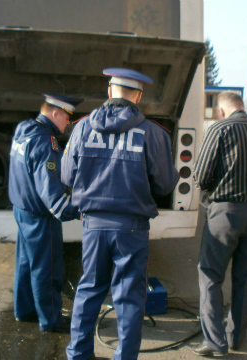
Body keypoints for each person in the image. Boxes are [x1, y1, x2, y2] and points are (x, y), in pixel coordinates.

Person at [62, 68, 179, 360]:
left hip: (93, 226)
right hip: (132, 228)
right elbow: (164, 184)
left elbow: (66, 176)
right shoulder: (152, 133)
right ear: (138, 96)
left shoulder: (81, 127)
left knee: (89, 290)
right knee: (128, 298)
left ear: (109, 91)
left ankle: (78, 354)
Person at [191, 91, 247, 357]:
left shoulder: (220, 129)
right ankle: (236, 338)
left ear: (221, 110)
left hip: (226, 213)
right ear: (241, 106)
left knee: (210, 275)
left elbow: (201, 175)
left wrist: (214, 190)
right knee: (246, 276)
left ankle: (214, 342)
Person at [8, 93, 83, 333]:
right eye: (67, 117)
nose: (68, 122)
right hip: (40, 217)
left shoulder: (24, 128)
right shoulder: (46, 143)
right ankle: (51, 320)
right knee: (47, 270)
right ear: (55, 113)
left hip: (21, 209)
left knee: (25, 263)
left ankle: (24, 311)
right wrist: (77, 210)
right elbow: (53, 196)